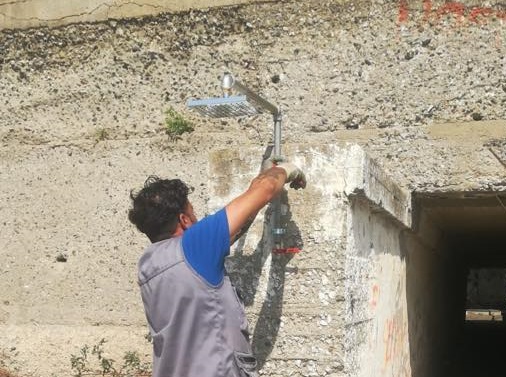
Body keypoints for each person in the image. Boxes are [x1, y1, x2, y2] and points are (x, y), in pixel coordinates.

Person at [128, 160, 306, 377]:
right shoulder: (195, 246)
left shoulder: (149, 264)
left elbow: (234, 227)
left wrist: (258, 182)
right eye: (193, 214)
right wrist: (287, 170)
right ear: (184, 220)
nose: (197, 219)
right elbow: (267, 188)